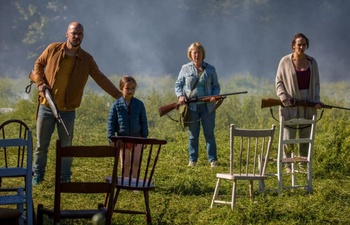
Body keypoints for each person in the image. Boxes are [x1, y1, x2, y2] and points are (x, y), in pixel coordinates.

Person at [31, 21, 123, 185]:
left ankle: (65, 177)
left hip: (67, 110)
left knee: (67, 147)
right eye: (74, 33)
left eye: (80, 34)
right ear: (67, 34)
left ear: (83, 36)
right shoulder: (53, 49)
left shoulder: (87, 59)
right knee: (41, 145)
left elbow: (100, 78)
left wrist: (119, 95)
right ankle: (37, 175)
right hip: (47, 106)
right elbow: (38, 64)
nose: (76, 36)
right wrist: (40, 84)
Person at [275, 33, 322, 173]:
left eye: (304, 44)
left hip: (308, 101)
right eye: (299, 44)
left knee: (305, 134)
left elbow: (317, 83)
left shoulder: (312, 62)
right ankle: (288, 165)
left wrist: (316, 101)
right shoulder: (284, 61)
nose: (301, 47)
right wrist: (283, 98)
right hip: (291, 102)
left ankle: (302, 165)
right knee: (288, 135)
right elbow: (279, 81)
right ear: (293, 45)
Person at [175, 42, 221, 167]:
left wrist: (214, 96)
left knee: (209, 133)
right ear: (190, 54)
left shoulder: (210, 69)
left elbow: (216, 86)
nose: (197, 55)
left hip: (208, 107)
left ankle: (213, 160)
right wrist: (180, 96)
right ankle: (193, 160)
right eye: (194, 52)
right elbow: (178, 85)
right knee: (193, 135)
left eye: (199, 52)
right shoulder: (185, 68)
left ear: (203, 54)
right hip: (192, 107)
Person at [107, 75, 148, 177]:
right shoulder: (116, 105)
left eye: (133, 88)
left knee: (136, 162)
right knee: (125, 163)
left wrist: (145, 138)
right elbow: (111, 123)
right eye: (127, 88)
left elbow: (144, 122)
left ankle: (134, 182)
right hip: (123, 138)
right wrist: (111, 139)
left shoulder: (139, 104)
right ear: (121, 88)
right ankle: (125, 182)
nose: (130, 91)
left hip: (137, 138)